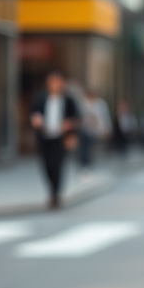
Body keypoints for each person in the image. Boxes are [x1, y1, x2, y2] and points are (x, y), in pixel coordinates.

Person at [29, 70, 80, 209]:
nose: (55, 85)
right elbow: (33, 112)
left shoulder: (68, 99)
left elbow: (76, 117)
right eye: (52, 82)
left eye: (57, 82)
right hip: (44, 137)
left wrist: (69, 124)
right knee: (46, 166)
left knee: (57, 166)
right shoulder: (41, 97)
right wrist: (36, 119)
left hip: (61, 138)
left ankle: (55, 195)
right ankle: (52, 192)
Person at [79, 89, 112, 169]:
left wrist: (107, 128)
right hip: (85, 130)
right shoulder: (83, 104)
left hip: (97, 130)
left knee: (93, 149)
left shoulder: (100, 104)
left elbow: (105, 117)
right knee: (86, 148)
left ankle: (91, 164)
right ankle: (85, 164)